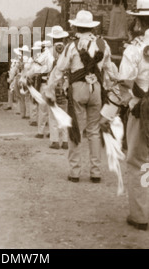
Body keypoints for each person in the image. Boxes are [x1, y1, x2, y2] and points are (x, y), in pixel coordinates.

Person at [46, 10, 115, 183]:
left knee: (75, 128)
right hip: (96, 89)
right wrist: (110, 86)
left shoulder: (72, 46)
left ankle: (75, 171)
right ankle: (96, 171)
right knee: (94, 131)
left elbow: (60, 68)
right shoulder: (103, 44)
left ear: (76, 26)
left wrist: (50, 88)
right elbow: (109, 68)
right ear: (92, 27)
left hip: (78, 88)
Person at [100, 0, 149, 230]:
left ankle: (140, 216)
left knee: (139, 162)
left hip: (143, 111)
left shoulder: (135, 50)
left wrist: (107, 114)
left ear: (139, 21)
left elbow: (124, 87)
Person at [45, 26, 69, 149]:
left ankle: (54, 140)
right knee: (64, 113)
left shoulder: (49, 51)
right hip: (65, 84)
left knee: (53, 113)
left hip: (53, 83)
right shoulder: (68, 50)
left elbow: (46, 68)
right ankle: (65, 140)